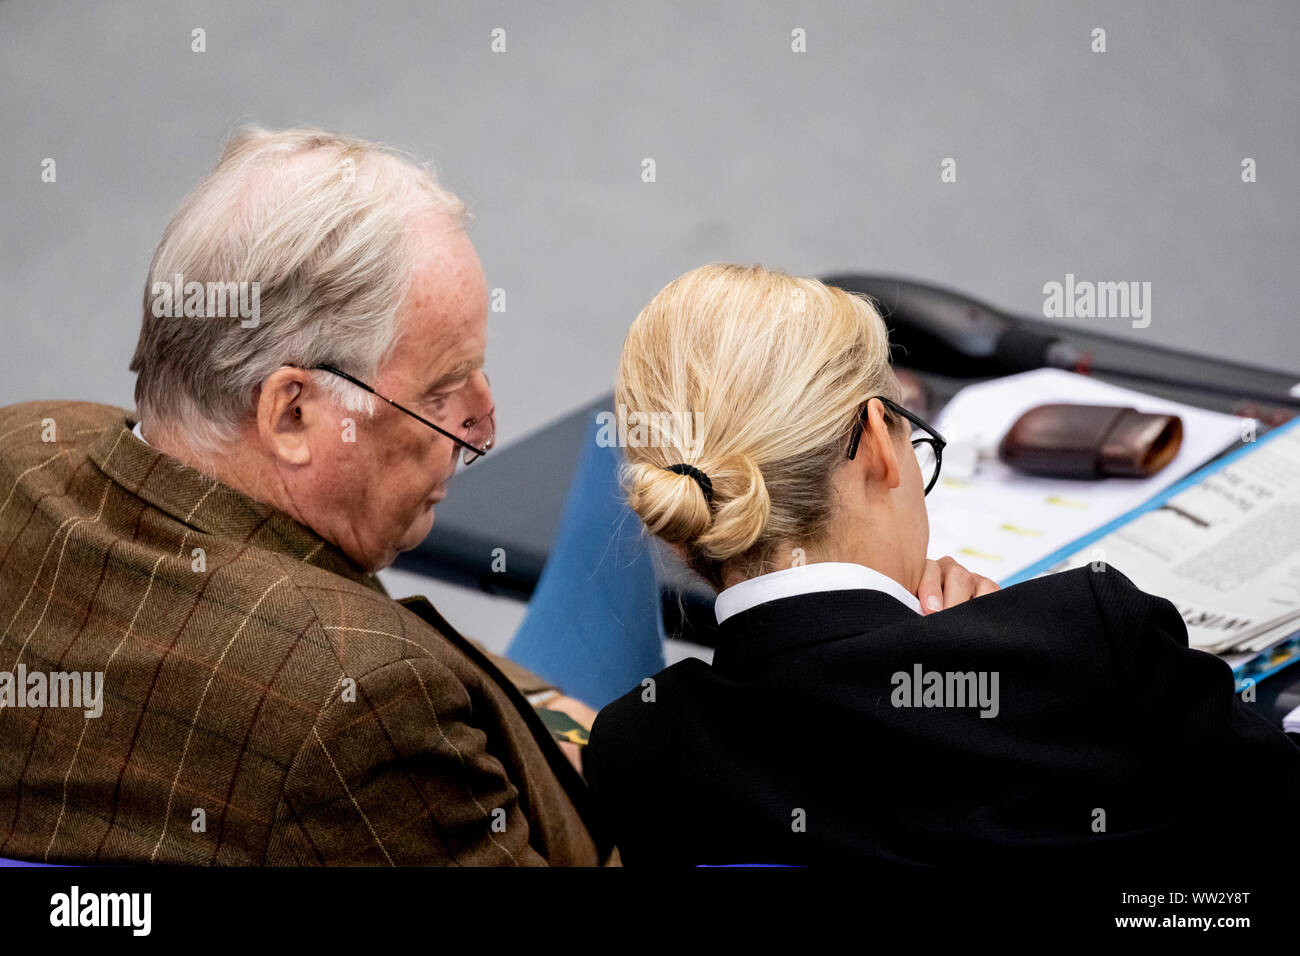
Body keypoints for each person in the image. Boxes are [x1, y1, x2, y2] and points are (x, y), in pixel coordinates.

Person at [0, 126, 612, 866]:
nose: (482, 427)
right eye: (442, 393)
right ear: (291, 413)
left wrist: (555, 719)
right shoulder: (362, 712)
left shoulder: (24, 447)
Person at [585, 263, 1300, 867]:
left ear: (681, 522)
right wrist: (1015, 642)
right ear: (876, 442)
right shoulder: (1089, 644)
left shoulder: (638, 753)